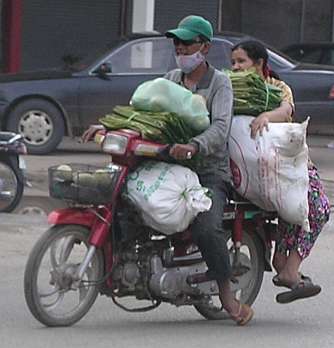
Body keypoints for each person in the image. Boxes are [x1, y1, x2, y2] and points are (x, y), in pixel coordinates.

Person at [82, 16, 254, 325]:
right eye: (177, 43)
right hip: (170, 167)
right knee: (125, 203)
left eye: (187, 43)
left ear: (205, 46)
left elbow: (220, 128)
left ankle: (227, 292)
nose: (180, 48)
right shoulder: (172, 77)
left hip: (207, 172)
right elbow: (142, 111)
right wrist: (107, 125)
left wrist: (194, 145)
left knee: (205, 227)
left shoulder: (220, 83)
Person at [231, 40, 330, 303]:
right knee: (319, 210)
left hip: (288, 165)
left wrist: (266, 116)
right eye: (233, 63)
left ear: (259, 63)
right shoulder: (231, 89)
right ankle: (289, 268)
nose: (236, 67)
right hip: (257, 171)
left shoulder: (276, 87)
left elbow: (287, 110)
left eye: (241, 62)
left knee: (303, 209)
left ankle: (285, 261)